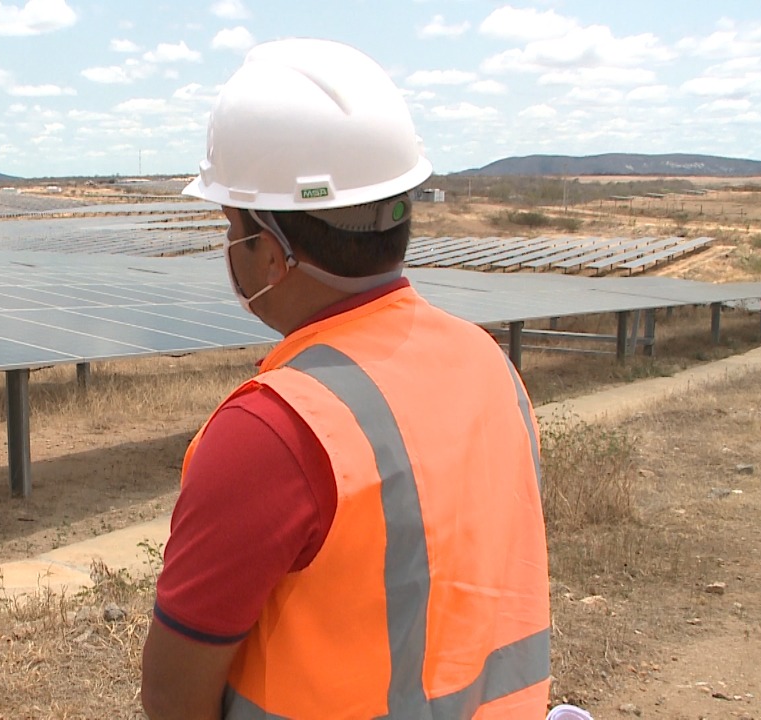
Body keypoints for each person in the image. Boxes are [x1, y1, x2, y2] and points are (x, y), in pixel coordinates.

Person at [140, 39, 551, 719]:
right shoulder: (487, 362)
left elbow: (173, 696)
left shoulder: (273, 432)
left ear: (269, 253)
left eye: (231, 225)